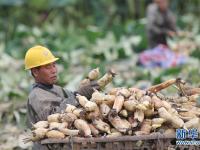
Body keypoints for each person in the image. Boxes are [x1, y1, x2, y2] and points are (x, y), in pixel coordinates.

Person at [24, 45, 99, 150]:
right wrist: (78, 95)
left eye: (54, 65)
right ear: (35, 72)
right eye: (48, 67)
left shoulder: (57, 89)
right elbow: (53, 117)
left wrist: (87, 92)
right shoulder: (36, 96)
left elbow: (75, 99)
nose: (54, 70)